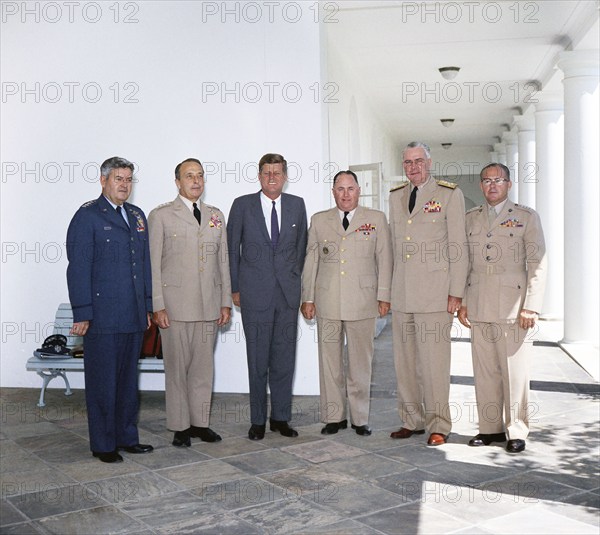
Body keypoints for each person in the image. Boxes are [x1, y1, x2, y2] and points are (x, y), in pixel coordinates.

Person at [66, 156, 153, 463]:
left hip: (132, 315)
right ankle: (103, 444)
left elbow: (142, 265)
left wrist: (147, 306)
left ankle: (127, 437)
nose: (124, 185)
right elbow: (78, 267)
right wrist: (83, 312)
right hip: (102, 316)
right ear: (103, 181)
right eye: (118, 179)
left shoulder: (137, 215)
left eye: (128, 179)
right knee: (103, 383)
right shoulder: (88, 216)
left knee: (129, 383)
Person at [458, 163, 546, 454]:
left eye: (498, 180)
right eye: (486, 181)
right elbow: (465, 264)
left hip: (513, 307)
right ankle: (490, 428)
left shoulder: (525, 217)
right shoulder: (470, 218)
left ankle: (517, 430)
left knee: (515, 372)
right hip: (480, 304)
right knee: (484, 372)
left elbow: (537, 263)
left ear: (508, 184)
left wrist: (531, 306)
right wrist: (462, 301)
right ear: (481, 185)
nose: (492, 186)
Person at [301, 170, 392, 436]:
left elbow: (384, 259)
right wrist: (307, 298)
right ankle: (334, 416)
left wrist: (384, 296)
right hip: (327, 300)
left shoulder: (375, 219)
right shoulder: (319, 221)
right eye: (340, 189)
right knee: (329, 362)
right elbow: (311, 261)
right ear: (333, 192)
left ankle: (360, 417)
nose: (345, 194)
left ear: (358, 190)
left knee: (360, 362)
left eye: (350, 189)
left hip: (363, 302)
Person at [389, 141, 468, 446]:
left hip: (436, 294)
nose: (413, 167)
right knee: (405, 362)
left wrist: (456, 292)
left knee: (434, 364)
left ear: (430, 162)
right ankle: (411, 419)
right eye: (408, 162)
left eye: (419, 161)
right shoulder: (396, 196)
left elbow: (458, 247)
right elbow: (394, 250)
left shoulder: (449, 195)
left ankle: (439, 423)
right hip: (402, 293)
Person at [148, 158, 232, 448]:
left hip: (208, 306)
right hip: (174, 307)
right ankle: (180, 426)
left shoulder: (215, 215)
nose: (196, 181)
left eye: (199, 175)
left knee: (203, 369)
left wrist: (225, 302)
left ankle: (200, 423)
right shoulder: (161, 216)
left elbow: (223, 262)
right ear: (177, 182)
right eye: (189, 176)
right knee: (177, 370)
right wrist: (157, 305)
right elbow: (153, 265)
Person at [227, 153, 308, 440]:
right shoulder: (242, 206)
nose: (272, 177)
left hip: (286, 296)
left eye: (277, 172)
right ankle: (258, 420)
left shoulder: (297, 206)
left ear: (285, 176)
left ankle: (281, 418)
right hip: (254, 295)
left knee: (285, 361)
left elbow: (301, 251)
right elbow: (231, 250)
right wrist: (234, 289)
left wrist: (295, 284)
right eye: (266, 172)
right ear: (259, 176)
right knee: (257, 361)